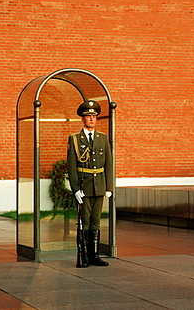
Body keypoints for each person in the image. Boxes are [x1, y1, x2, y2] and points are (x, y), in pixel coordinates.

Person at [67, 100, 113, 267]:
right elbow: (72, 167)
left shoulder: (102, 138)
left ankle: (94, 256)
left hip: (99, 186)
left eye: (94, 116)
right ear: (83, 119)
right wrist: (76, 189)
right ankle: (85, 255)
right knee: (84, 222)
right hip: (84, 186)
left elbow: (108, 163)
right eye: (88, 116)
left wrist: (109, 187)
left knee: (96, 221)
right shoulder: (75, 139)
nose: (92, 119)